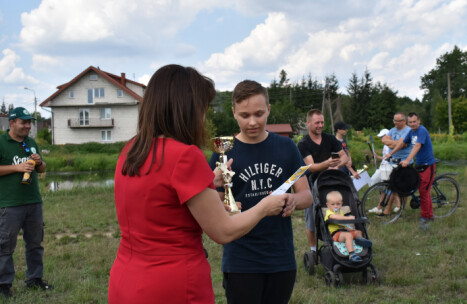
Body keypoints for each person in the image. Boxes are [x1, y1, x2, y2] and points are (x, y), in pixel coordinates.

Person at [108, 65, 288, 304]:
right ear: (187, 110)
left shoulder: (131, 150)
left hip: (125, 280)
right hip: (173, 286)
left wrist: (207, 184)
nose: (203, 118)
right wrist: (265, 206)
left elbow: (159, 204)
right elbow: (224, 231)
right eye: (202, 109)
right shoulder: (185, 155)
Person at [208, 80, 312, 304]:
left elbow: (307, 196)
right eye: (245, 115)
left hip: (280, 258)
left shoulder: (286, 147)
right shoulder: (222, 152)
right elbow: (213, 207)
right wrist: (225, 207)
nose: (253, 122)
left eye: (259, 114)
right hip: (240, 259)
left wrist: (294, 199)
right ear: (234, 112)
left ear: (269, 110)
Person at [0, 107, 52, 298]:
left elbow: (41, 170)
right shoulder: (1, 142)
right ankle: (4, 285)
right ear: (12, 123)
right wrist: (16, 168)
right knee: (5, 245)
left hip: (33, 202)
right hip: (9, 204)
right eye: (24, 122)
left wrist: (39, 162)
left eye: (29, 122)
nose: (28, 126)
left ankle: (35, 280)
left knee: (35, 243)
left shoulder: (30, 143)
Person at [297, 109, 347, 253]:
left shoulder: (330, 139)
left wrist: (336, 165)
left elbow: (344, 157)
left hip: (332, 183)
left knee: (337, 212)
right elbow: (311, 167)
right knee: (312, 220)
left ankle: (340, 241)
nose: (320, 125)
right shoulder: (303, 144)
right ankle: (313, 250)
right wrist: (328, 164)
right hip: (312, 185)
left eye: (322, 122)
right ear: (308, 123)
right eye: (317, 122)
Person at [386, 112, 436, 230]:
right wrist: (391, 153)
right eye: (410, 122)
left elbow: (417, 146)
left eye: (414, 122)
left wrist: (407, 159)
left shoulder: (422, 131)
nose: (412, 124)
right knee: (416, 187)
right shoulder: (411, 132)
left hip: (428, 164)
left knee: (424, 191)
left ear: (419, 121)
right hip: (418, 164)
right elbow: (403, 143)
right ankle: (426, 213)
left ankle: (427, 217)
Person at [324, 191, 371, 262]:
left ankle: (360, 240)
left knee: (357, 232)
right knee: (348, 236)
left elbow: (343, 224)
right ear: (328, 205)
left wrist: (349, 229)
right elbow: (335, 217)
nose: (336, 206)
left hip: (344, 231)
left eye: (338, 204)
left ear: (341, 204)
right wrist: (348, 218)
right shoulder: (329, 213)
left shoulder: (341, 212)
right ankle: (352, 254)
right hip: (336, 234)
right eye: (333, 204)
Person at [367, 128, 401, 214]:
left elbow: (391, 157)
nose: (381, 138)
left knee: (387, 187)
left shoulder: (392, 144)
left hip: (388, 168)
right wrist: (378, 157)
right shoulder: (385, 145)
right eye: (381, 137)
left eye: (382, 136)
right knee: (373, 182)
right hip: (383, 167)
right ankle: (396, 205)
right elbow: (386, 157)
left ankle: (383, 206)